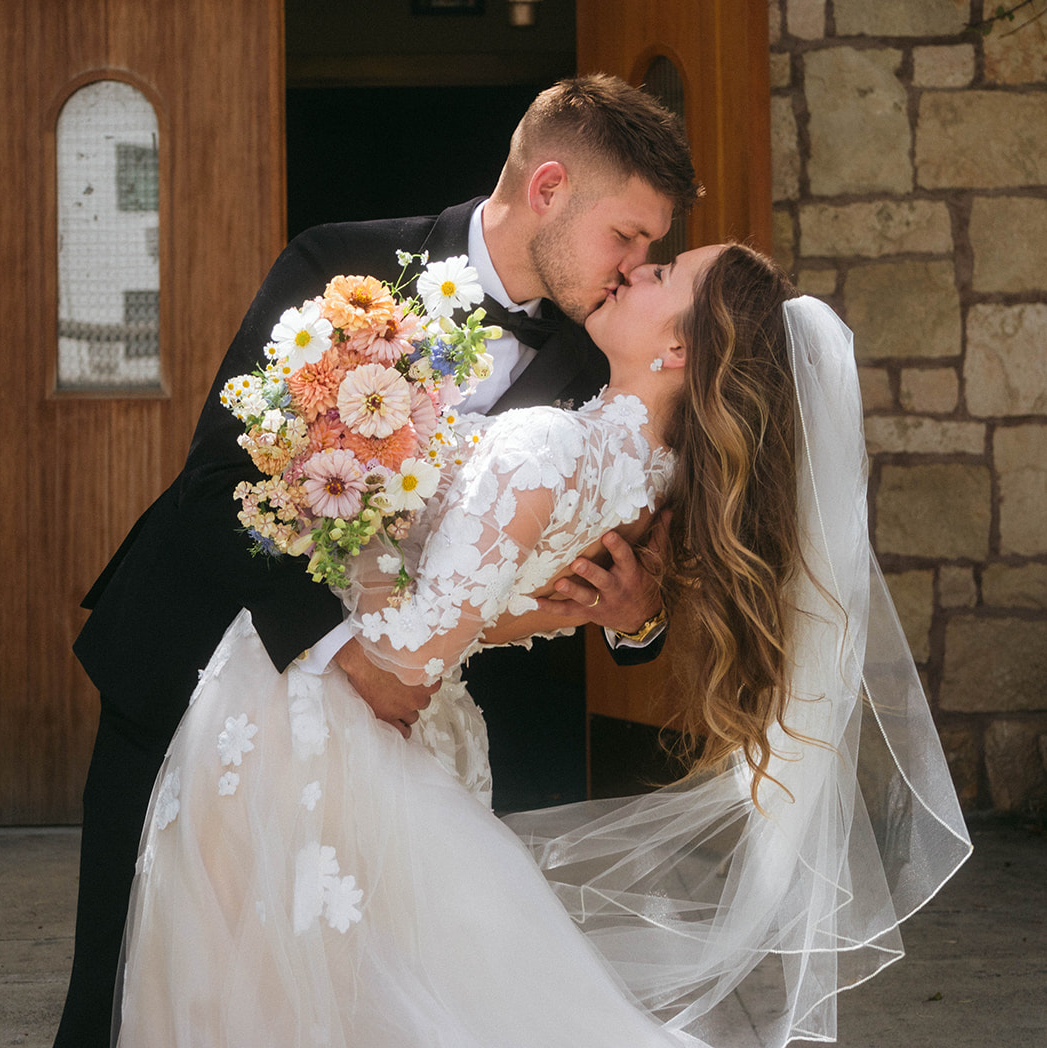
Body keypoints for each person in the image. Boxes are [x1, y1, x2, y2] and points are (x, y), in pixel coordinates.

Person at [114, 244, 971, 1048]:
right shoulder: (653, 484)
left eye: (661, 268)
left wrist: (350, 490)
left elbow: (407, 655)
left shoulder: (553, 447)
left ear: (677, 348)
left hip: (314, 730)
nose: (631, 269)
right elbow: (489, 614)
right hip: (373, 724)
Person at [54, 74, 700, 1048]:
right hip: (196, 669)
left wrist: (635, 616)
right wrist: (347, 649)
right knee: (123, 992)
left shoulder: (596, 367)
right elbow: (218, 483)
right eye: (627, 236)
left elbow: (589, 573)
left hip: (376, 744)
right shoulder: (341, 265)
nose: (632, 267)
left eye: (649, 251)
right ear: (550, 187)